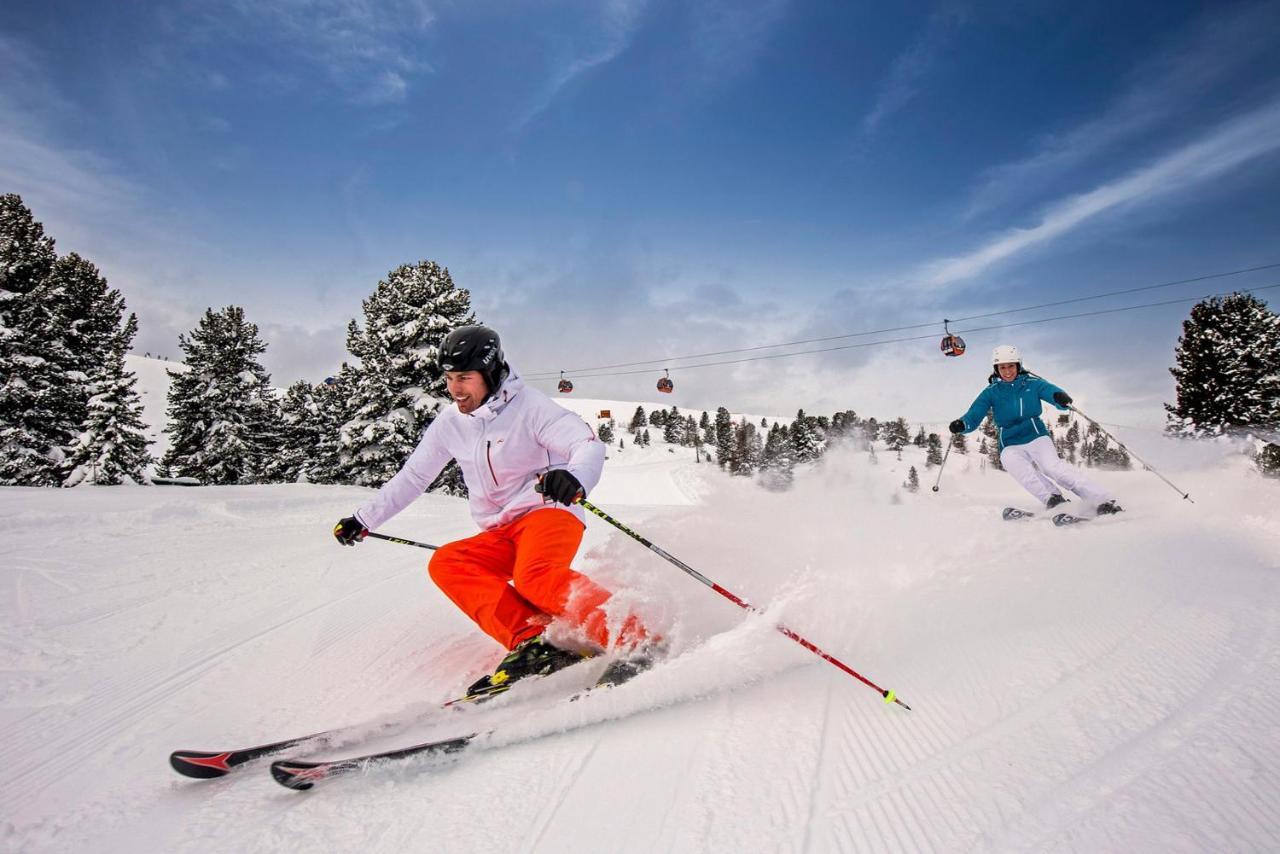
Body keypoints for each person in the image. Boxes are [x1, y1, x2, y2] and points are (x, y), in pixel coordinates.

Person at [332, 324, 646, 698]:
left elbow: (586, 444)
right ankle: (538, 643)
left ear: (491, 372)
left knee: (536, 577)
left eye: (464, 377)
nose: (455, 388)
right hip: (500, 530)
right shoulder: (451, 423)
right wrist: (365, 518)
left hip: (548, 513)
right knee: (449, 562)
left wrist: (574, 477)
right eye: (449, 378)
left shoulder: (531, 408)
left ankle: (638, 640)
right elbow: (414, 476)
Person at [949, 345, 1122, 515]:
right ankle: (1053, 499)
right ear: (996, 369)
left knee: (1052, 467)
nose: (1007, 371)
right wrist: (963, 424)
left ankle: (1102, 499)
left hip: (1036, 435)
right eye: (1002, 367)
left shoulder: (1032, 384)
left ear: (1018, 365)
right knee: (1016, 467)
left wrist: (1058, 397)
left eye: (1011, 366)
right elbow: (975, 413)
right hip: (1009, 441)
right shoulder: (991, 392)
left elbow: (1049, 390)